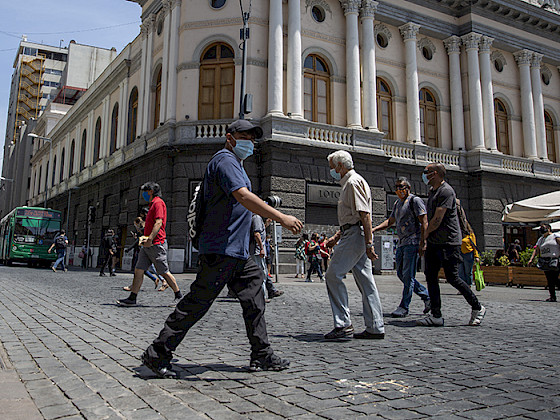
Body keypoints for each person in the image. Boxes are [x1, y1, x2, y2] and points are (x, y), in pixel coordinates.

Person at [142, 119, 303, 378]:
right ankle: (157, 353)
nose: (249, 142)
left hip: (239, 251)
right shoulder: (225, 160)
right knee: (197, 303)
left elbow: (242, 204)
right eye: (245, 136)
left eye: (253, 138)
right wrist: (281, 216)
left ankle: (261, 354)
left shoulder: (236, 164)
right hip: (221, 248)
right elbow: (242, 196)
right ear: (230, 138)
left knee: (255, 300)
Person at [323, 150, 385, 340]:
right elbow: (355, 217)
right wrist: (337, 237)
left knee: (333, 275)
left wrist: (369, 243)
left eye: (333, 167)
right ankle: (375, 326)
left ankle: (343, 324)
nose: (332, 171)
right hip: (353, 234)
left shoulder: (352, 182)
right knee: (366, 281)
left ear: (341, 166)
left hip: (355, 236)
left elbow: (364, 215)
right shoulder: (352, 182)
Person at [417, 163, 486, 327]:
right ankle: (436, 315)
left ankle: (477, 307)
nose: (424, 175)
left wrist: (424, 236)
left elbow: (437, 219)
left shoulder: (446, 191)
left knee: (453, 278)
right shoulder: (433, 191)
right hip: (435, 241)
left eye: (426, 172)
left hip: (449, 242)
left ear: (434, 174)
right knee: (430, 276)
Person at [372, 177, 431, 318]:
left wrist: (423, 242)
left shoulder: (415, 201)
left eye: (401, 187)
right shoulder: (398, 203)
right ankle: (427, 296)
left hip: (413, 243)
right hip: (402, 243)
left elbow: (424, 222)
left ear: (408, 188)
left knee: (408, 276)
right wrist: (374, 229)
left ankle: (404, 306)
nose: (399, 189)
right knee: (401, 274)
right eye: (397, 187)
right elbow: (390, 221)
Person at [116, 182, 183, 306]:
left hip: (156, 243)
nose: (143, 194)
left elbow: (158, 222)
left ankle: (179, 296)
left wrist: (150, 238)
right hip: (147, 244)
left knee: (163, 271)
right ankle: (132, 298)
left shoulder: (158, 203)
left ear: (150, 191)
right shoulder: (152, 204)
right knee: (139, 269)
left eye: (144, 191)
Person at [250, 213, 283, 299]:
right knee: (261, 273)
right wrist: (261, 248)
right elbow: (257, 234)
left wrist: (266, 224)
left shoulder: (258, 218)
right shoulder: (257, 217)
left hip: (257, 251)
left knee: (263, 273)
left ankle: (266, 293)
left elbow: (260, 232)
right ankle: (261, 296)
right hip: (257, 251)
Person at [528, 223, 560, 302]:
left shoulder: (555, 236)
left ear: (549, 229)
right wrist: (531, 259)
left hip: (554, 259)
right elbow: (536, 249)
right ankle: (552, 297)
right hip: (545, 260)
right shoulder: (541, 239)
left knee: (555, 278)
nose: (542, 230)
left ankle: (553, 295)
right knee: (549, 279)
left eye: (544, 228)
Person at [457, 201, 479, 288]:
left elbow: (474, 246)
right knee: (460, 272)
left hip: (468, 254)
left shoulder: (470, 235)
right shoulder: (458, 234)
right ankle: (463, 287)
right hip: (459, 254)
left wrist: (476, 256)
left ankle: (468, 286)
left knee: (467, 271)